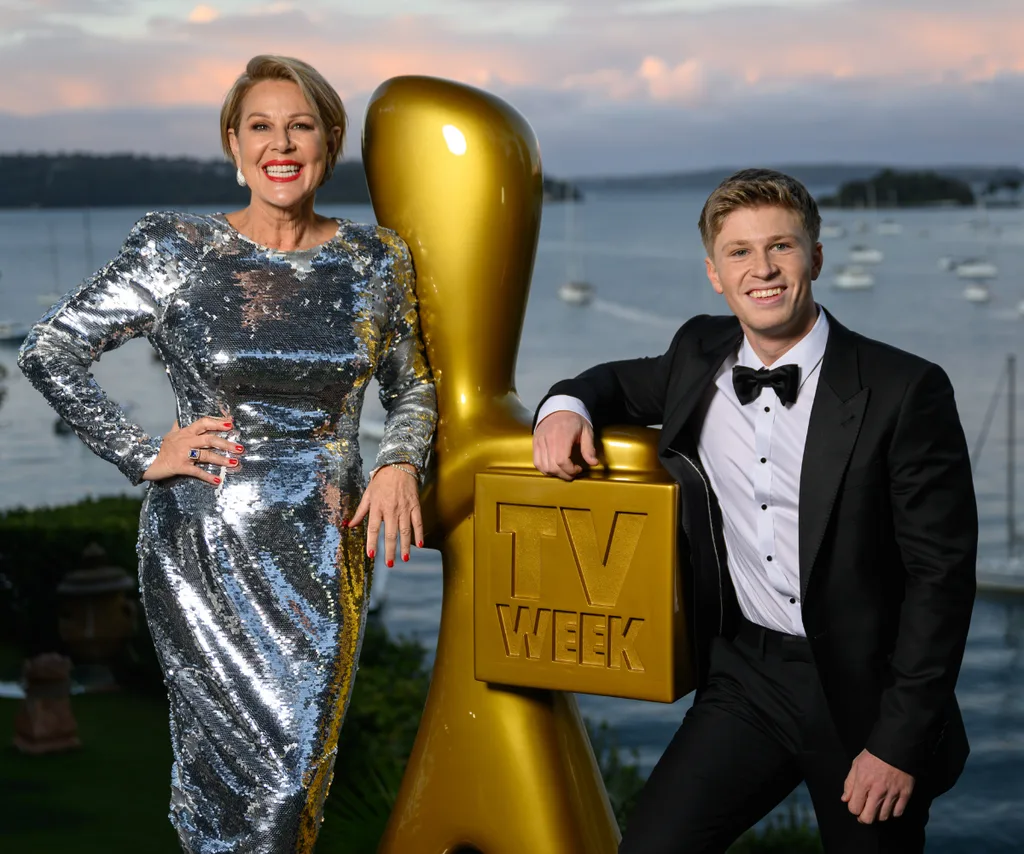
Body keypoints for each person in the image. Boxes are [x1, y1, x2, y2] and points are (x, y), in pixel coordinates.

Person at [19, 55, 436, 852]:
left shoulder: (376, 259)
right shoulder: (178, 247)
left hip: (321, 554)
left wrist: (398, 460)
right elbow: (52, 350)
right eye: (261, 127)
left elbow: (413, 387)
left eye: (301, 125)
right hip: (202, 551)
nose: (282, 144)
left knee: (291, 792)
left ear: (330, 140)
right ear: (234, 146)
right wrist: (140, 450)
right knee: (234, 791)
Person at [532, 168, 977, 853]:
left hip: (865, 694)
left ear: (816, 258)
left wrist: (899, 741)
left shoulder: (904, 389)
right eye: (739, 252)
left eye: (782, 247)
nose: (762, 269)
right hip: (747, 679)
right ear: (714, 272)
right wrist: (564, 408)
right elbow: (613, 381)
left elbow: (940, 580)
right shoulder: (697, 353)